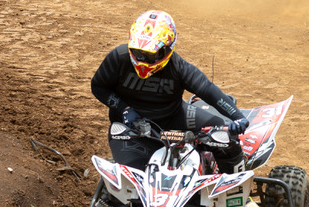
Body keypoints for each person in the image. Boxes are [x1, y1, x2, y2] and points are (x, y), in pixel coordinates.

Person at [90, 9, 248, 170]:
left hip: (175, 116)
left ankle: (237, 189)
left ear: (167, 49)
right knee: (134, 175)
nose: (143, 60)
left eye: (150, 55)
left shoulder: (179, 68)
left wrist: (237, 117)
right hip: (132, 129)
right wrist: (124, 109)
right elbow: (98, 86)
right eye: (138, 52)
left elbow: (207, 90)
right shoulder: (118, 58)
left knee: (227, 139)